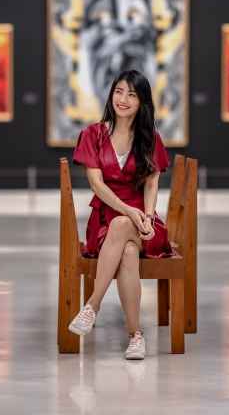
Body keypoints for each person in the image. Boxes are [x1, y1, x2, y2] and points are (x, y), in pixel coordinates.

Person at [67, 69, 173, 360]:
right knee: (126, 249)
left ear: (142, 102)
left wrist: (147, 217)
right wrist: (128, 211)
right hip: (104, 222)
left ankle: (92, 306)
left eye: (132, 94)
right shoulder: (93, 135)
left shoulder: (150, 137)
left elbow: (151, 183)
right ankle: (135, 336)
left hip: (145, 225)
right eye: (118, 91)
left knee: (126, 229)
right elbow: (96, 184)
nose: (123, 99)